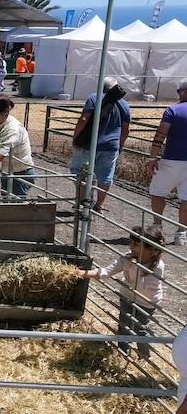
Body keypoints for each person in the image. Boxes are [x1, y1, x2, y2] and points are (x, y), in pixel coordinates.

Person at [83, 224, 165, 360]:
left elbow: (142, 286)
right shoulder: (128, 258)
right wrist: (81, 273)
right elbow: (106, 271)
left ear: (153, 251)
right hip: (127, 297)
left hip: (147, 302)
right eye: (131, 243)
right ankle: (123, 354)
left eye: (136, 245)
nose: (130, 247)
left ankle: (144, 357)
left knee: (140, 330)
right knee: (124, 325)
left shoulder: (158, 266)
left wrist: (133, 265)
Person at [68, 78, 131, 212]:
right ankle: (100, 204)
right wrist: (120, 145)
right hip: (111, 145)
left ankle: (82, 202)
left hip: (88, 144)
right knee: (105, 175)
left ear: (103, 87)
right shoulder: (124, 104)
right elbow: (126, 128)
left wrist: (76, 138)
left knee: (80, 171)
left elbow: (84, 119)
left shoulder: (94, 98)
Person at [148, 80, 187, 245]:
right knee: (186, 197)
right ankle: (182, 233)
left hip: (172, 159)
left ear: (183, 91)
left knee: (157, 192)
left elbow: (160, 135)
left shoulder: (172, 110)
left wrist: (152, 157)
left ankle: (158, 228)